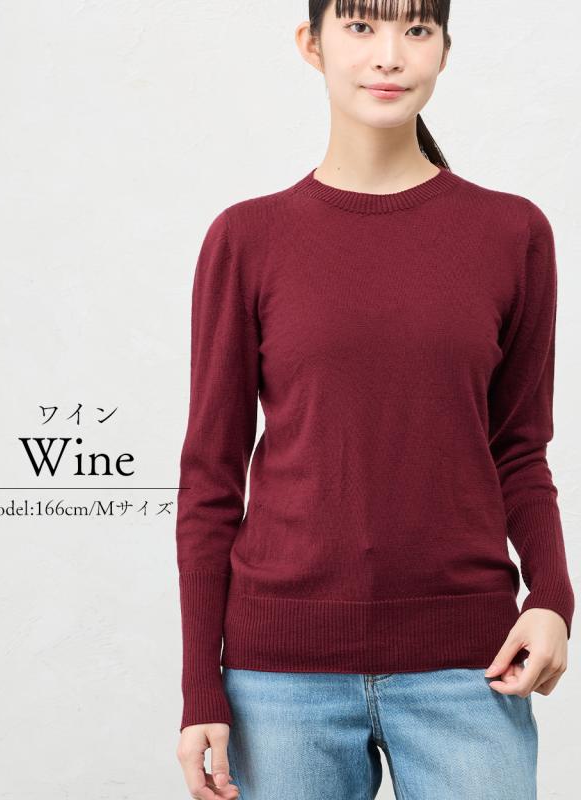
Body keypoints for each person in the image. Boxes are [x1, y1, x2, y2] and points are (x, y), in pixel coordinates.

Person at [174, 1, 575, 798]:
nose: (389, 54)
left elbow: (518, 450)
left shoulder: (513, 233)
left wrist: (554, 599)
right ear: (312, 44)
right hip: (280, 680)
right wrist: (199, 690)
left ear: (444, 50)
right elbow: (210, 480)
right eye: (361, 26)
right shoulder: (247, 239)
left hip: (471, 666)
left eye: (415, 29)